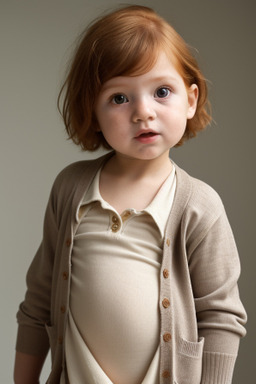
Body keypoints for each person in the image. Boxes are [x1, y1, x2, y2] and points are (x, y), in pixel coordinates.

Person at [14, 5, 247, 384]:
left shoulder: (199, 206)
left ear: (190, 100)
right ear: (93, 110)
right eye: (119, 98)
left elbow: (221, 317)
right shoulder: (71, 189)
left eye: (161, 91)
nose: (143, 112)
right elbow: (39, 300)